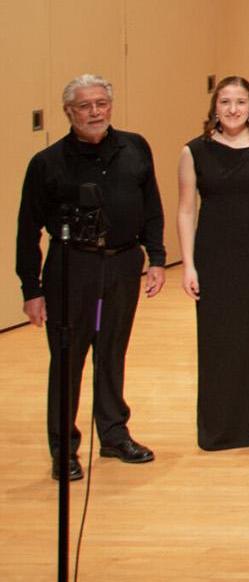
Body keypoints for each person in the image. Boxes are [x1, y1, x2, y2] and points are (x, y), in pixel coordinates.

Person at [18, 74, 167, 479]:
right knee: (68, 359)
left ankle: (115, 435)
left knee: (112, 351)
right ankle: (63, 447)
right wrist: (31, 289)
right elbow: (27, 230)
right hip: (73, 268)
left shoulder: (134, 148)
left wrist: (156, 257)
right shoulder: (47, 163)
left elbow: (151, 203)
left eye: (101, 103)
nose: (95, 112)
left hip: (121, 265)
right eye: (85, 106)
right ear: (69, 112)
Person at [177, 77, 249, 450]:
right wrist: (189, 265)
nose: (232, 109)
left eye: (240, 102)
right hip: (214, 251)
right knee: (219, 337)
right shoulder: (194, 151)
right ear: (215, 107)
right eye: (225, 102)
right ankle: (224, 425)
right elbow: (185, 210)